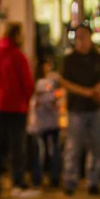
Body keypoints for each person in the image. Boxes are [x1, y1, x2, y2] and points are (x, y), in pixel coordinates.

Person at [0, 22, 36, 199]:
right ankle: (18, 182)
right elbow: (27, 83)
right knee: (17, 145)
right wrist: (27, 100)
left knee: (0, 145)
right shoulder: (18, 56)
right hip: (16, 106)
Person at [58, 24, 100, 196]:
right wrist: (86, 92)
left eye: (84, 37)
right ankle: (70, 181)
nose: (81, 41)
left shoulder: (98, 58)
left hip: (95, 108)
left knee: (96, 146)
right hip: (76, 109)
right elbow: (64, 82)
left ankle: (93, 182)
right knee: (73, 147)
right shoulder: (69, 60)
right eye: (78, 37)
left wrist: (98, 90)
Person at [28, 60, 62, 189]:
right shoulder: (47, 83)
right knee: (51, 151)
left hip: (38, 123)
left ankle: (38, 179)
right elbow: (52, 97)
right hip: (49, 122)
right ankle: (54, 178)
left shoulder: (34, 84)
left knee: (40, 152)